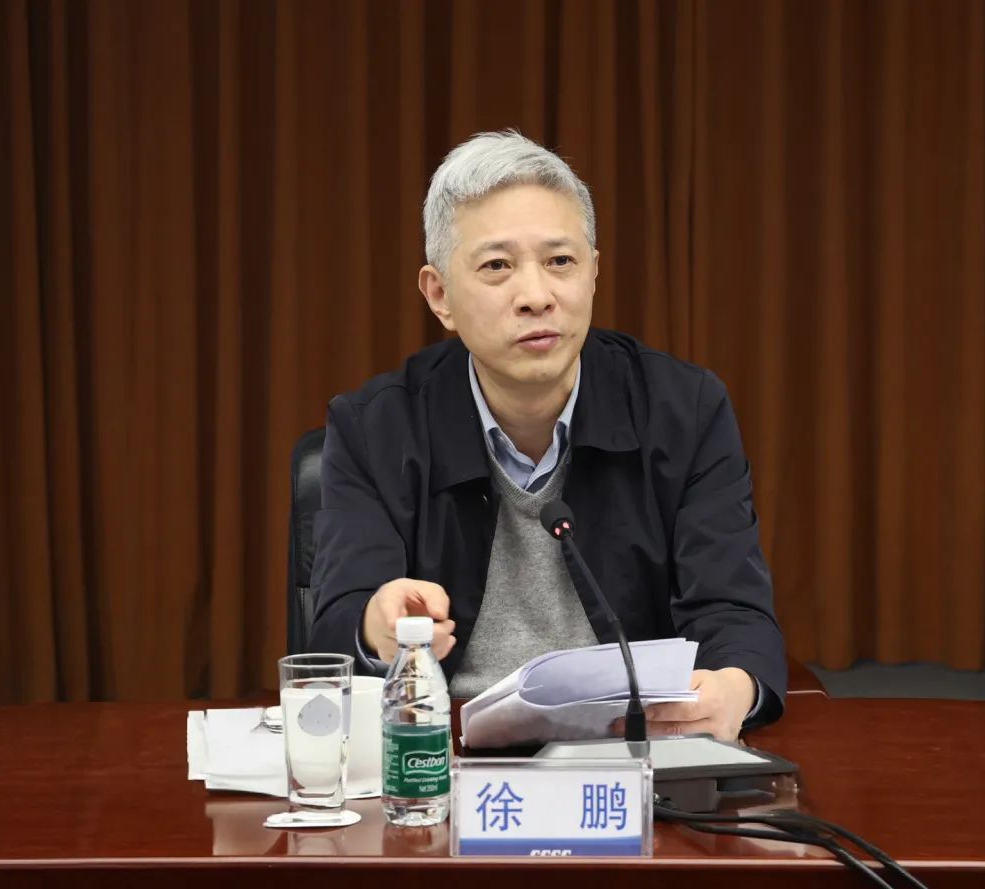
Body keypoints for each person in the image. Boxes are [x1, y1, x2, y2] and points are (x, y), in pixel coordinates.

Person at [310, 130, 787, 739]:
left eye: (560, 261)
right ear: (440, 295)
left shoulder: (682, 410)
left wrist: (733, 688)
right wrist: (374, 628)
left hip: (636, 746)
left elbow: (734, 608)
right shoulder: (376, 427)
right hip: (441, 754)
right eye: (497, 266)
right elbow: (338, 629)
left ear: (593, 273)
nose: (536, 296)